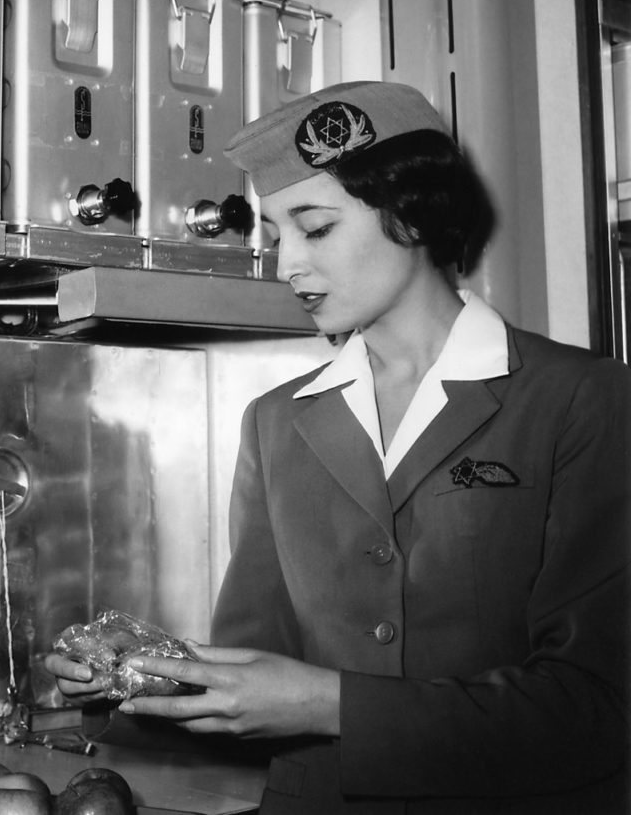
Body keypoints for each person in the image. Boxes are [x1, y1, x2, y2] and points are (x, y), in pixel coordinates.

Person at [45, 81, 631, 813]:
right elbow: (254, 684)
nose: (285, 264)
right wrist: (134, 681)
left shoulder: (582, 399)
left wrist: (331, 705)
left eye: (313, 228)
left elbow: (600, 708)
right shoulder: (276, 422)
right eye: (275, 234)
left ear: (411, 215)